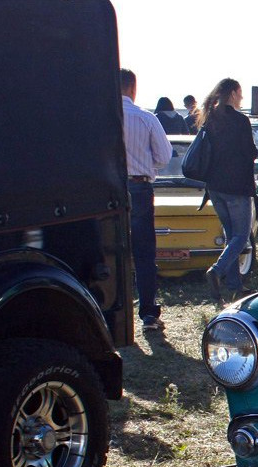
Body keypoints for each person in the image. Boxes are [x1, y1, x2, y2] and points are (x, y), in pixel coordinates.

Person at [195, 78, 257, 302]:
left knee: (231, 235)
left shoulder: (209, 118)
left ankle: (234, 284)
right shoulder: (240, 121)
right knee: (241, 236)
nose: (241, 98)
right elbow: (250, 152)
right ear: (232, 94)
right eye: (240, 94)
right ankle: (217, 271)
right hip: (236, 187)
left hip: (214, 187)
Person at [119, 68, 171, 332]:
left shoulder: (99, 119)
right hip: (139, 187)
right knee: (143, 252)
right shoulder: (145, 119)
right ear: (132, 88)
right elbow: (163, 156)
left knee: (111, 251)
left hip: (108, 189)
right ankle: (148, 313)